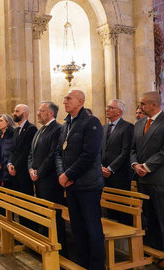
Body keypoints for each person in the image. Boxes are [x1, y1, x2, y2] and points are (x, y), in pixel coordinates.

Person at [55, 90, 105, 269]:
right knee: (77, 227)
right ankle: (82, 262)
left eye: (68, 98)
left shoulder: (91, 122)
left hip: (88, 184)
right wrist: (63, 174)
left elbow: (89, 154)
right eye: (65, 98)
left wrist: (68, 175)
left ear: (80, 101)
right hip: (72, 184)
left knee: (92, 227)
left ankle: (97, 265)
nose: (64, 101)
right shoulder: (66, 124)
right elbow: (60, 153)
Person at [131, 92, 164, 269]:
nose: (140, 107)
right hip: (142, 177)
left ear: (153, 105)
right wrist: (135, 164)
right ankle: (154, 248)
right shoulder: (139, 123)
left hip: (160, 177)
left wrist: (147, 166)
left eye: (143, 104)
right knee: (149, 214)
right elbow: (133, 149)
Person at [27, 101, 66, 256]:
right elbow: (31, 153)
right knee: (43, 214)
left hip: (50, 181)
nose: (37, 113)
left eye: (41, 110)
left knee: (53, 217)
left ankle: (60, 250)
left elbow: (53, 154)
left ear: (51, 113)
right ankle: (45, 246)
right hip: (38, 178)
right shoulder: (39, 130)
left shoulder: (57, 129)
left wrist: (39, 172)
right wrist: (31, 169)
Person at [101, 99, 134, 224]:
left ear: (119, 111)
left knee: (122, 207)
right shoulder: (104, 128)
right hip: (104, 174)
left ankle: (126, 238)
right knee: (109, 208)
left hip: (120, 174)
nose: (107, 109)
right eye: (107, 107)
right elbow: (100, 150)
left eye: (110, 107)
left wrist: (110, 168)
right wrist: (101, 167)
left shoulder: (128, 127)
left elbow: (126, 151)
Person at [7, 104, 37, 229]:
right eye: (14, 111)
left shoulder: (31, 129)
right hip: (14, 172)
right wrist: (9, 164)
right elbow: (12, 151)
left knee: (26, 203)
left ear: (24, 114)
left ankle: (29, 230)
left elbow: (26, 152)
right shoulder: (15, 130)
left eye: (17, 111)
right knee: (18, 203)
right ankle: (21, 229)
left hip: (24, 172)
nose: (14, 113)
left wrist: (16, 167)